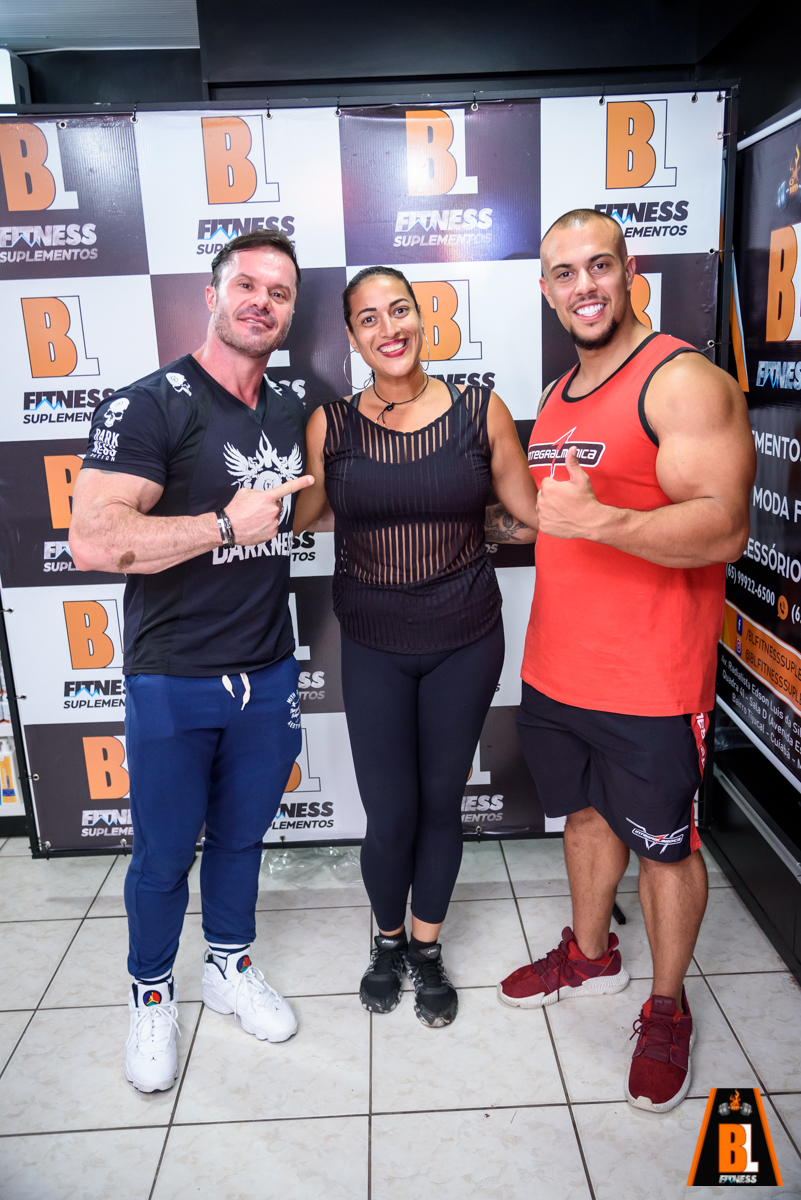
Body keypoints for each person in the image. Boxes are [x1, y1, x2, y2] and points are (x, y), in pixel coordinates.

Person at [495, 209, 755, 1112]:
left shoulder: (681, 381)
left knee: (667, 849)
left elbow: (723, 526)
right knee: (583, 818)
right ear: (545, 289)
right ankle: (591, 954)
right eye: (564, 273)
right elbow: (559, 520)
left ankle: (666, 1005)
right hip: (557, 668)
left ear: (628, 269)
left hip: (649, 679)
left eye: (598, 266)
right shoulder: (561, 391)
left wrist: (601, 520)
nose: (584, 286)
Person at [69, 230, 314, 1093]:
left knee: (241, 840)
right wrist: (220, 526)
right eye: (245, 285)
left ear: (290, 311)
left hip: (268, 668)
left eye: (278, 292)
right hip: (173, 674)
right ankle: (150, 993)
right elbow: (92, 541)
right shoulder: (150, 404)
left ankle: (228, 967)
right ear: (211, 296)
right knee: (164, 854)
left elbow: (312, 506)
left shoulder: (287, 409)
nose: (261, 302)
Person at [294, 266, 539, 1027]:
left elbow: (528, 516)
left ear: (420, 316)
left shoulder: (479, 410)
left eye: (398, 310)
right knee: (389, 811)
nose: (388, 328)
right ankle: (388, 941)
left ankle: (426, 949)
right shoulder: (330, 424)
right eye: (368, 318)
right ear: (351, 336)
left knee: (440, 804)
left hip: (465, 638)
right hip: (372, 641)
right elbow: (305, 514)